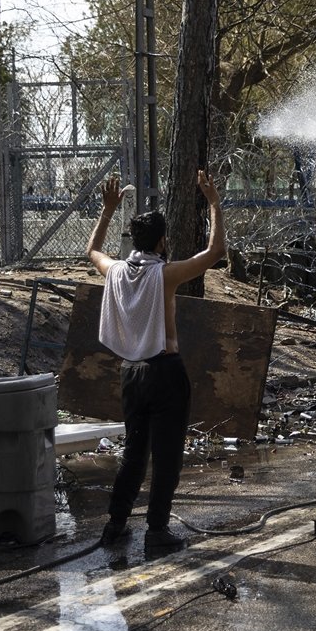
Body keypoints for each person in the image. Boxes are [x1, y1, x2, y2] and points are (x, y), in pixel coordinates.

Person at [86, 170, 225, 550]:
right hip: (164, 372)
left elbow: (93, 251)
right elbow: (214, 253)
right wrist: (213, 202)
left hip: (131, 374)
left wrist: (107, 210)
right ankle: (157, 532)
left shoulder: (114, 271)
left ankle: (115, 525)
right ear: (162, 242)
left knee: (134, 452)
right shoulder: (164, 274)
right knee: (166, 457)